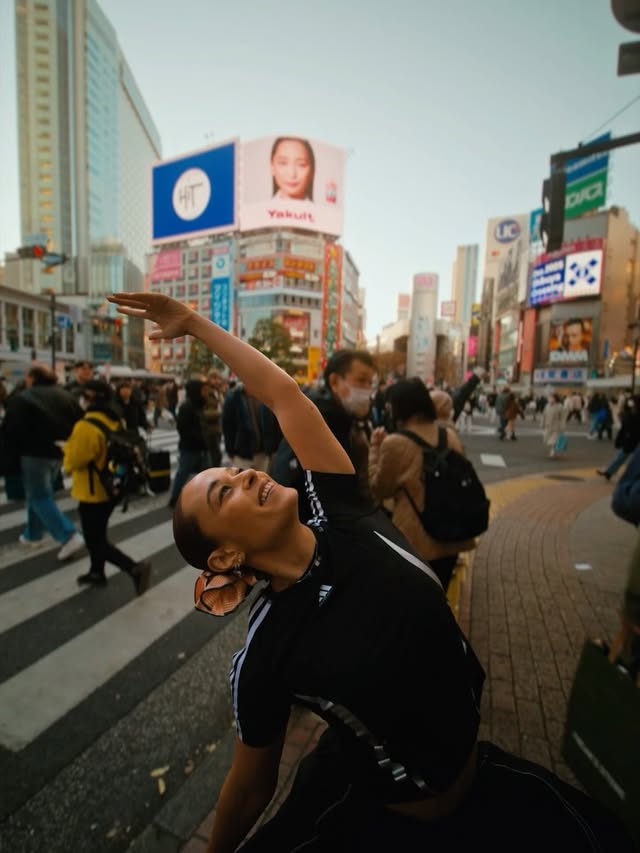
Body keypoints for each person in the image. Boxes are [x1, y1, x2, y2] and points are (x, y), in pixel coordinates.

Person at [109, 291, 634, 853]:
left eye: (234, 471)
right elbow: (248, 787)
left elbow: (282, 395)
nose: (242, 477)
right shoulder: (268, 651)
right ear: (225, 557)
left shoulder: (338, 507)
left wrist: (193, 324)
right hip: (393, 825)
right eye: (223, 492)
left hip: (487, 778)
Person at [368, 378, 476, 591]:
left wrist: (374, 448)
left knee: (412, 601)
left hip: (414, 541)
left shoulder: (395, 443)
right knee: (439, 595)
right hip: (452, 535)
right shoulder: (450, 435)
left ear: (399, 407)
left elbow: (380, 488)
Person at [63, 380, 151, 591]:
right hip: (113, 487)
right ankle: (97, 572)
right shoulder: (114, 420)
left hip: (92, 491)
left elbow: (73, 462)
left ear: (90, 398)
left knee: (95, 541)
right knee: (98, 534)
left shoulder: (85, 426)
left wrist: (66, 451)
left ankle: (134, 568)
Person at [270, 349, 376, 521]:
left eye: (370, 383)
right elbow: (288, 475)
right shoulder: (317, 418)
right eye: (361, 380)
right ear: (334, 381)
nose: (367, 390)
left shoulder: (348, 419)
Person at [2, 364, 84, 558]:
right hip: (58, 451)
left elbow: (11, 429)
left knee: (39, 496)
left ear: (32, 378)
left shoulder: (24, 398)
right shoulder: (65, 396)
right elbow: (80, 420)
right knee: (38, 494)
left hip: (32, 453)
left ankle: (68, 535)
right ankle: (33, 535)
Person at [167, 378, 211, 509]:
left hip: (201, 447)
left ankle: (205, 498)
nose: (206, 393)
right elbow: (183, 428)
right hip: (190, 448)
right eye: (203, 390)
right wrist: (199, 438)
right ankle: (174, 498)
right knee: (183, 473)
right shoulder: (187, 407)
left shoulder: (199, 404)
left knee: (207, 473)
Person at [222, 383, 282, 474]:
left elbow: (274, 422)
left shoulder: (265, 395)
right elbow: (228, 426)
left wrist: (274, 448)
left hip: (263, 453)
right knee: (243, 484)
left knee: (261, 482)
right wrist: (230, 451)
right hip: (242, 453)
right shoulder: (233, 397)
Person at [597, 394, 640, 481]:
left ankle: (611, 472)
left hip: (635, 440)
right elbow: (624, 427)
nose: (630, 402)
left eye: (632, 401)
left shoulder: (635, 413)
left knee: (630, 459)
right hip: (629, 440)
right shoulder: (629, 412)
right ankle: (609, 472)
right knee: (620, 457)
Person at [270, 137, 315, 201]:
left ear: (312, 170)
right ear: (272, 167)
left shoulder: (322, 211)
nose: (292, 174)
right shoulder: (258, 209)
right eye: (283, 163)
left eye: (301, 165)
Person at [541, 392, 567, 458]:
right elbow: (544, 415)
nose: (550, 399)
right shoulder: (547, 405)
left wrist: (563, 426)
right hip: (547, 425)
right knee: (547, 440)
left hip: (556, 426)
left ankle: (552, 452)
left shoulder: (560, 406)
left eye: (551, 398)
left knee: (553, 440)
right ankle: (552, 451)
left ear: (555, 399)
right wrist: (542, 423)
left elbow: (563, 417)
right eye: (549, 398)